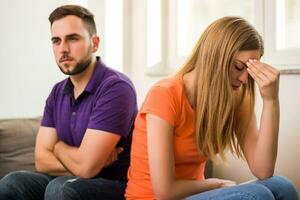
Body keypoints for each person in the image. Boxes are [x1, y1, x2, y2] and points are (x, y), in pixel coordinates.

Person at [125, 16, 298, 200]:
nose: (243, 79)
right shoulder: (164, 94)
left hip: (195, 195)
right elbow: (164, 192)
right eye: (238, 67)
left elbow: (263, 170)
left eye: (249, 70)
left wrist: (271, 101)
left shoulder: (235, 97)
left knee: (282, 186)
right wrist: (216, 184)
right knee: (257, 195)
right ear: (214, 58)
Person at [0, 4, 137, 200]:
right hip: (73, 179)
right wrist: (81, 161)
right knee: (12, 182)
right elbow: (41, 160)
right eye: (56, 41)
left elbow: (87, 167)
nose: (63, 49)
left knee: (60, 189)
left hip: (114, 184)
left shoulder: (116, 87)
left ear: (95, 43)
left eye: (73, 38)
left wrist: (58, 147)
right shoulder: (57, 92)